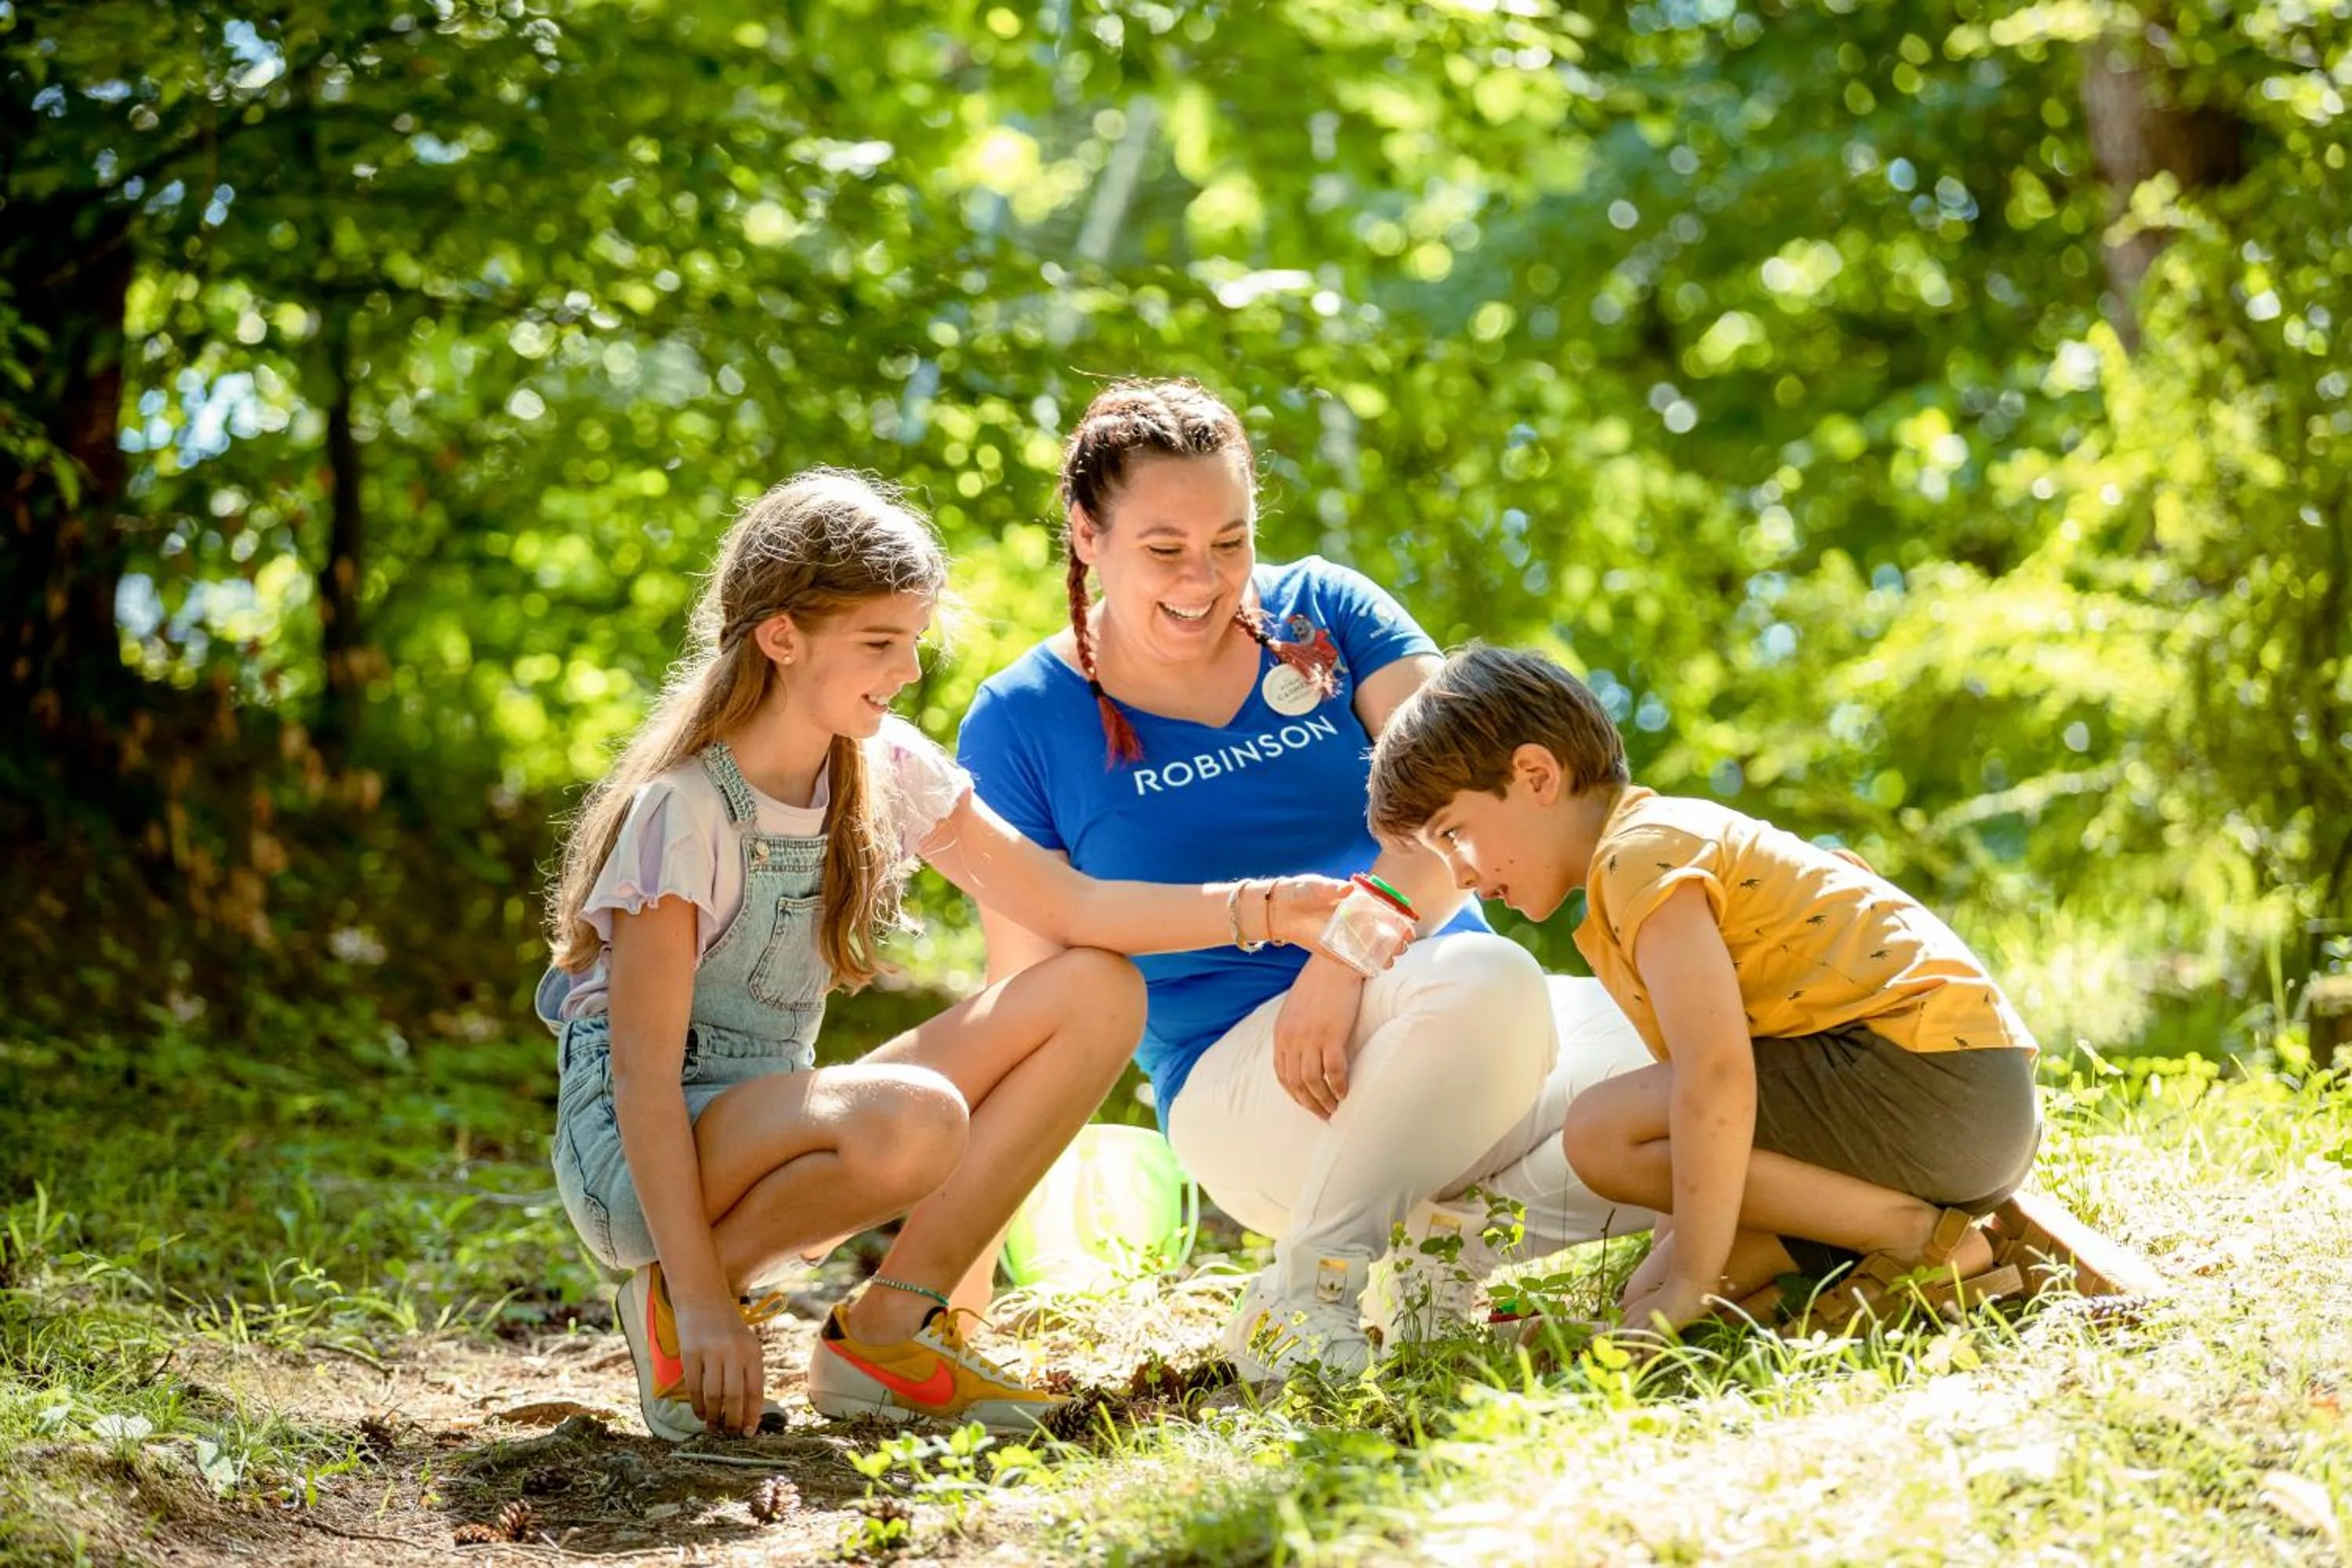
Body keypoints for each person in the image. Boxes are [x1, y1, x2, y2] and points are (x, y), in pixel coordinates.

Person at [539, 468, 1402, 1439]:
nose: (907, 671)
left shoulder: (881, 762)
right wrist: (699, 1298)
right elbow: (642, 1078)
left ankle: (888, 1331)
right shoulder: (685, 811)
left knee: (1094, 990)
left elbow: (1068, 902)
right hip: (641, 1155)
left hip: (773, 1121)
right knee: (911, 1118)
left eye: (912, 642)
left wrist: (1268, 907)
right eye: (879, 643)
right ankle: (673, 1305)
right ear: (782, 636)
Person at [955, 380, 1654, 1382]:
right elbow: (1021, 997)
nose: (1205, 579)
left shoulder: (1328, 609)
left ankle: (1435, 1273)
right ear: (1085, 533)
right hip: (1261, 1086)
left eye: (1230, 541)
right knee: (1492, 981)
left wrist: (1343, 954)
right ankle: (1309, 1292)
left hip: (1452, 1019)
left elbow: (1467, 812)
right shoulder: (1020, 718)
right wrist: (958, 1285)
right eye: (1165, 549)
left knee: (1689, 1049)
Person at [1365, 643, 2046, 1334]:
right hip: (1964, 1121)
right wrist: (1666, 1275)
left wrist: (1687, 1281)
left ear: (1536, 775)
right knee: (1663, 1291)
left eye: (1454, 833)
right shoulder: (1637, 872)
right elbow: (1699, 1108)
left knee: (1601, 1135)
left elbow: (1716, 1077)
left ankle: (1916, 1238)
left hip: (1937, 1092)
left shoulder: (1639, 860)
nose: (1460, 873)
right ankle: (1855, 1247)